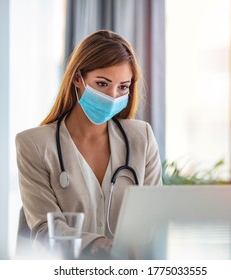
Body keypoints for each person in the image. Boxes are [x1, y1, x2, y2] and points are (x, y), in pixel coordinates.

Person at [15, 30, 162, 258]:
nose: (113, 96)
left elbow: (155, 218)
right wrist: (104, 246)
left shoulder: (141, 137)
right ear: (77, 78)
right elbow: (45, 229)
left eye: (123, 87)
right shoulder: (33, 145)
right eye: (102, 84)